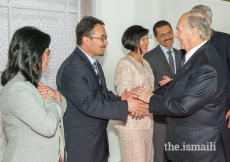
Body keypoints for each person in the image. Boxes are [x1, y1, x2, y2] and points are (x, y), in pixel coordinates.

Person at [132, 11, 230, 162]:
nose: (176, 36)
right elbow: (181, 84)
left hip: (199, 147)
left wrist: (151, 99)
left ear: (194, 32)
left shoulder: (206, 64)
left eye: (178, 30)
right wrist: (151, 95)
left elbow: (184, 106)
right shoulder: (196, 56)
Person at [56, 16, 148, 162]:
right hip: (82, 145)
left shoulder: (93, 63)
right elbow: (89, 104)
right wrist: (126, 106)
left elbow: (102, 94)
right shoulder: (72, 68)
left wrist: (120, 99)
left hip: (97, 141)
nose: (106, 42)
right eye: (102, 38)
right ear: (87, 40)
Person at [0, 26, 66, 162]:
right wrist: (55, 99)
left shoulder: (39, 78)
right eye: (47, 52)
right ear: (33, 52)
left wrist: (57, 96)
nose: (49, 57)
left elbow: (61, 104)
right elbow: (48, 126)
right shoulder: (17, 88)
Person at [114, 25, 154, 162]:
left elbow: (149, 89)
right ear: (133, 40)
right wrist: (146, 97)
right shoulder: (125, 63)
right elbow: (125, 94)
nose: (147, 42)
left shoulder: (146, 63)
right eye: (143, 39)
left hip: (148, 121)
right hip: (132, 124)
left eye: (147, 39)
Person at [143, 20, 181, 162]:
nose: (167, 37)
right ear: (156, 38)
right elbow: (148, 87)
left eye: (169, 32)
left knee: (178, 152)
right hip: (160, 116)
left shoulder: (182, 54)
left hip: (180, 113)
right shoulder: (148, 57)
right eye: (162, 34)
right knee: (160, 153)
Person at [191, 5, 230, 128]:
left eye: (201, 20)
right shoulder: (187, 44)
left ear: (210, 22)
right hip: (196, 112)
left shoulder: (226, 40)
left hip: (224, 110)